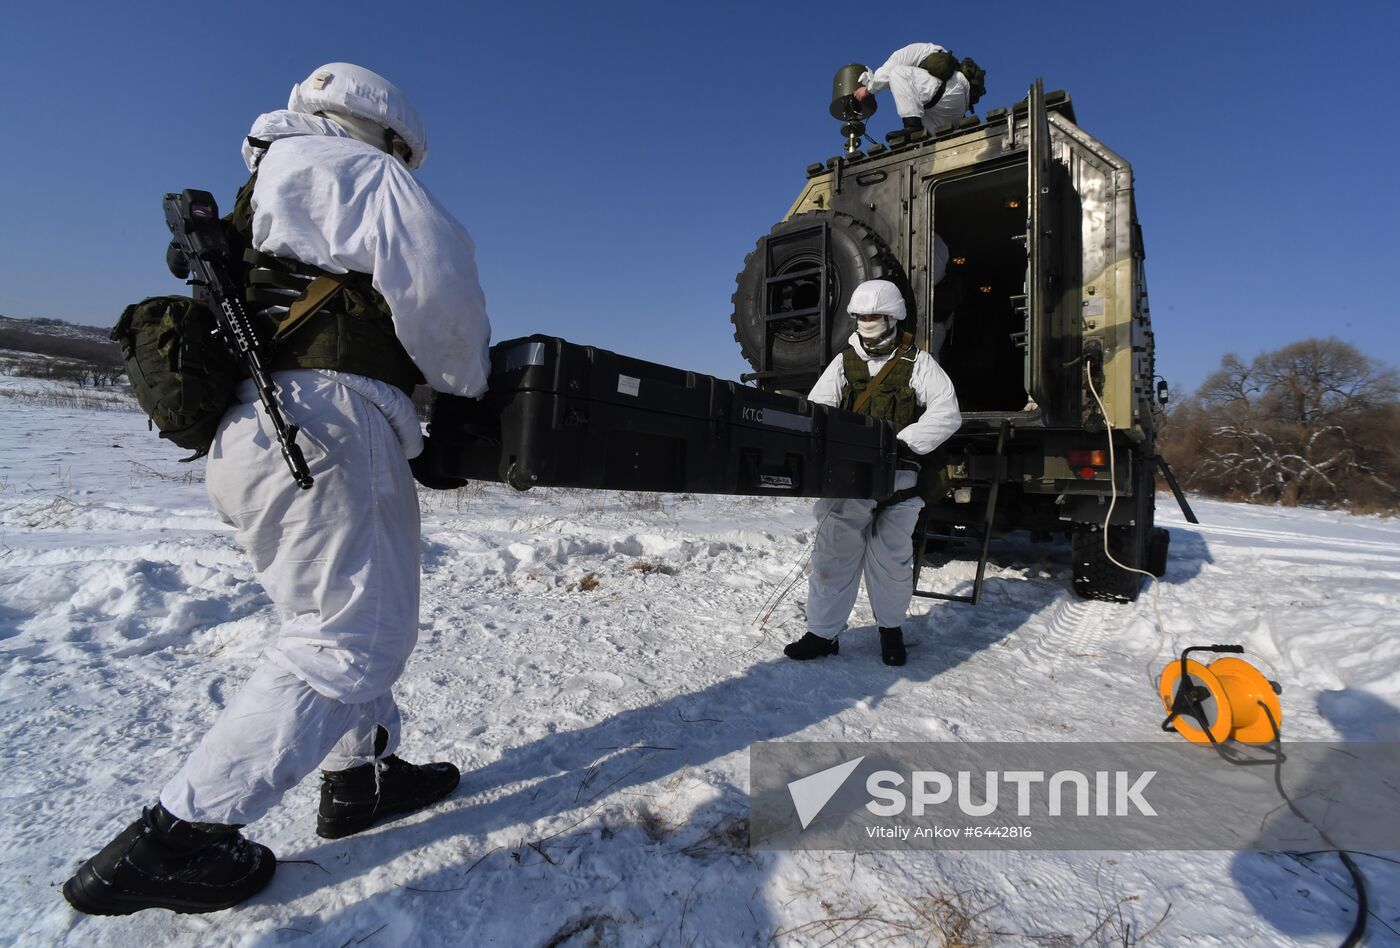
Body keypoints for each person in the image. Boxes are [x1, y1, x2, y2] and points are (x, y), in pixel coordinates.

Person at [63, 63, 492, 916]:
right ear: (391, 135)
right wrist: (467, 391)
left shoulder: (265, 182)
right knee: (351, 635)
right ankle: (177, 840)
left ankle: (361, 778)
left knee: (338, 615)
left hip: (256, 430)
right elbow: (443, 307)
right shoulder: (367, 173)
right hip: (330, 423)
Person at [784, 279, 960, 666]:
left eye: (874, 316)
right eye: (861, 316)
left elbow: (947, 412)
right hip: (848, 481)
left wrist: (902, 444)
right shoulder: (844, 363)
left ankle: (891, 632)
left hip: (899, 482)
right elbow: (818, 409)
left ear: (893, 317)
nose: (867, 322)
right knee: (832, 559)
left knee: (891, 564)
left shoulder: (917, 363)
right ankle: (822, 635)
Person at [853, 43, 970, 136]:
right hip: (954, 109)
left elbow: (885, 74)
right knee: (932, 141)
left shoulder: (902, 54)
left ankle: (913, 126)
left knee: (897, 73)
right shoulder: (929, 50)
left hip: (945, 92)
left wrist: (868, 89)